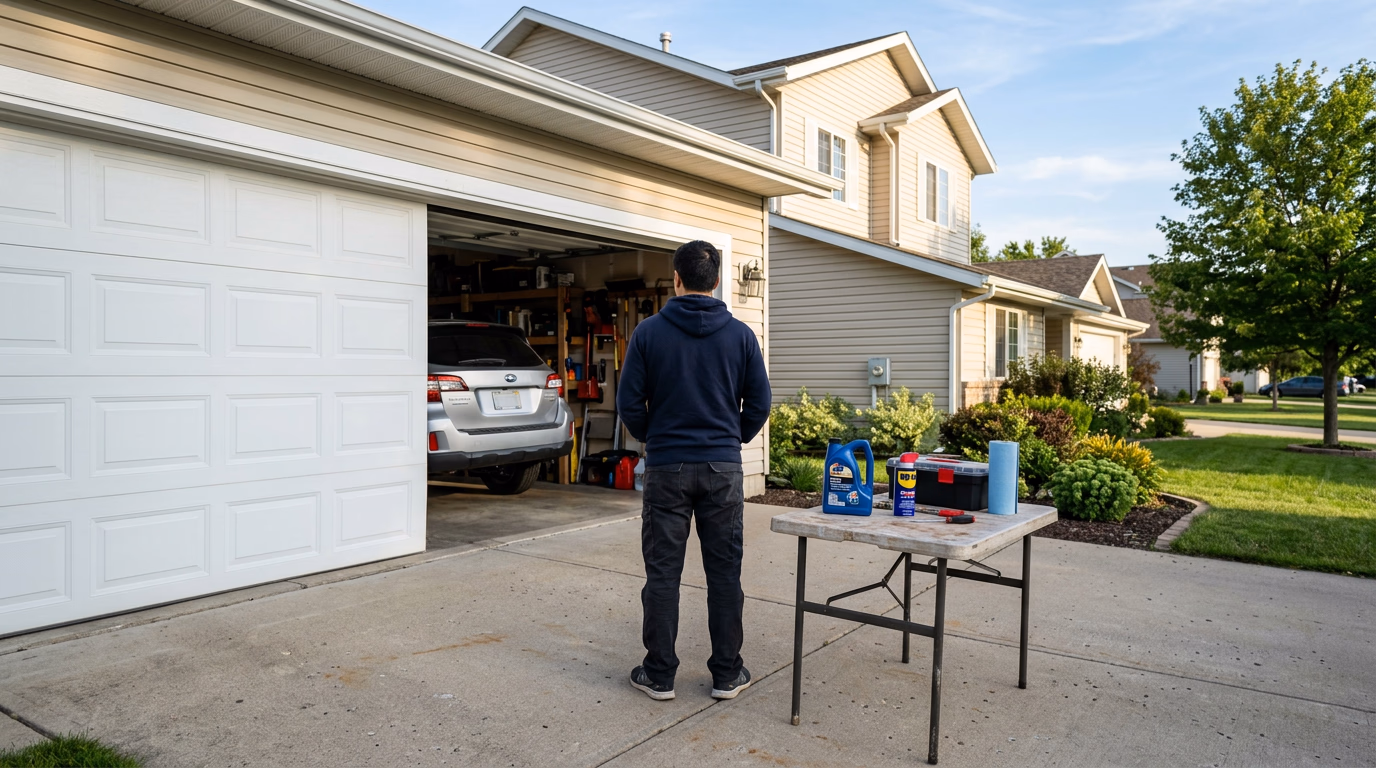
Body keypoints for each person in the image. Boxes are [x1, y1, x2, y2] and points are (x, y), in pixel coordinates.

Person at [616, 240, 771, 702]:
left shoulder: (648, 333)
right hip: (722, 469)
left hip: (667, 468)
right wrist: (730, 439)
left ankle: (659, 675)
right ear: (718, 280)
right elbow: (759, 403)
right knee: (725, 574)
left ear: (676, 279)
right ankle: (727, 674)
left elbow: (628, 404)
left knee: (663, 574)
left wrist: (657, 437)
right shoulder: (741, 335)